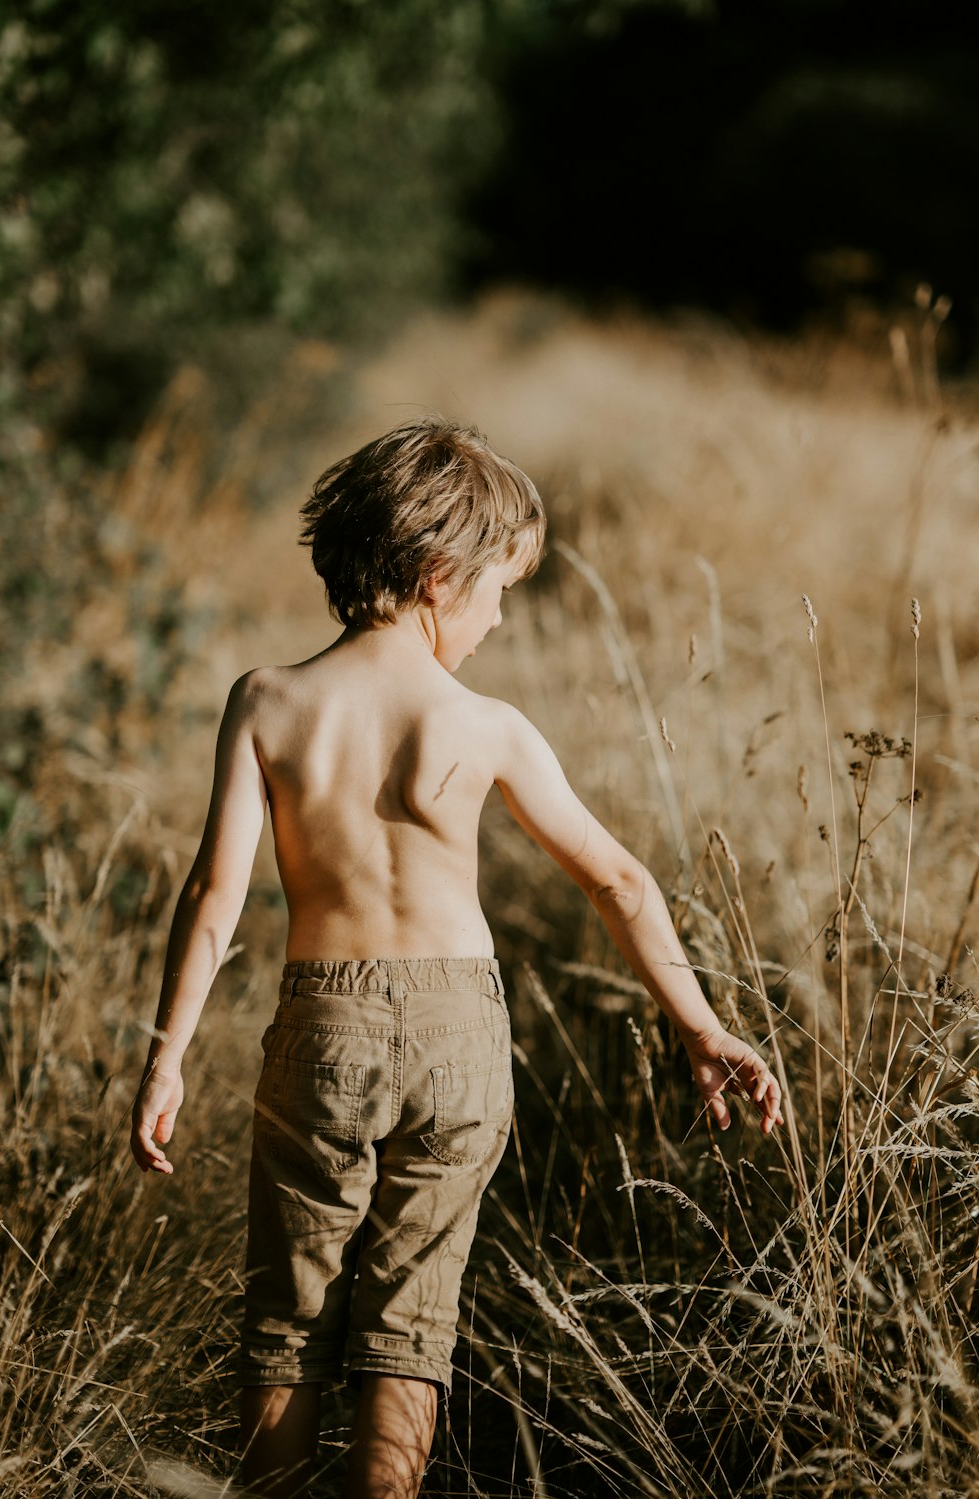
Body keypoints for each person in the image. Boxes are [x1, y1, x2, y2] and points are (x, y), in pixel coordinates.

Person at [130, 417, 784, 1498]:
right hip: (459, 1040)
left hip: (323, 1028)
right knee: (410, 1325)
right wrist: (700, 1023)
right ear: (439, 573)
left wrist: (169, 1052)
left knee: (287, 1320)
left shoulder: (270, 700)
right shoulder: (487, 726)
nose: (498, 617)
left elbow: (214, 893)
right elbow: (618, 879)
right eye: (498, 589)